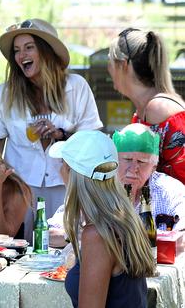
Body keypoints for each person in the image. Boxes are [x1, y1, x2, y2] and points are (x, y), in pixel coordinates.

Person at [0, 18, 102, 240]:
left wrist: (62, 136)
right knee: (20, 250)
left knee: (64, 247)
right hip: (21, 189)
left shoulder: (76, 87)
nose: (21, 56)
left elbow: (92, 142)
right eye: (17, 50)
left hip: (66, 186)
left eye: (29, 47)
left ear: (47, 51)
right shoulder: (4, 94)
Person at [49, 130, 154, 307]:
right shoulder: (122, 218)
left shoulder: (98, 234)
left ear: (71, 172)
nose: (60, 170)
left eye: (62, 164)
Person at [108, 28, 185, 184]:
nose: (108, 69)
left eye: (109, 61)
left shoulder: (157, 109)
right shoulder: (143, 111)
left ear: (123, 65)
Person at [113, 123, 185, 230]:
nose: (133, 169)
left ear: (153, 167)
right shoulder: (100, 187)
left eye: (141, 162)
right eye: (127, 159)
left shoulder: (170, 191)